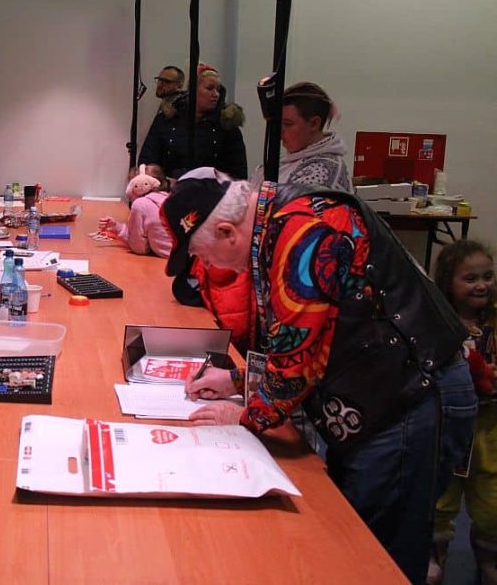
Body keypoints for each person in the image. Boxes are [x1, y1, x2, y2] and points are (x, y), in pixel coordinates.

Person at [160, 169, 477, 583]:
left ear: (226, 232)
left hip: (409, 399)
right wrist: (238, 381)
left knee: (377, 557)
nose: (205, 266)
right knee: (358, 542)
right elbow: (306, 334)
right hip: (384, 396)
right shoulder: (278, 221)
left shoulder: (300, 230)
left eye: (202, 256)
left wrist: (243, 416)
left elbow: (298, 356)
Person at [429, 240, 497, 585]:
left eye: (487, 276)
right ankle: (435, 552)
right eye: (470, 279)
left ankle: (488, 556)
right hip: (450, 422)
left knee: (491, 498)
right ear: (448, 282)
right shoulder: (439, 321)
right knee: (442, 495)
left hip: (490, 425)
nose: (481, 285)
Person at [139, 63, 248, 180]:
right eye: (210, 88)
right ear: (193, 90)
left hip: (213, 189)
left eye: (218, 90)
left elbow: (239, 174)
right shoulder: (166, 120)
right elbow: (147, 159)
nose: (216, 94)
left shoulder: (227, 125)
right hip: (168, 187)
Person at [255, 81, 352, 192]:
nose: (279, 131)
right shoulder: (282, 163)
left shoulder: (324, 170)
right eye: (278, 123)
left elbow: (291, 201)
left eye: (288, 124)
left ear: (314, 124)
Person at [98, 164, 173, 257]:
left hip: (168, 262)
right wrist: (116, 226)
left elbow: (139, 248)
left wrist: (119, 230)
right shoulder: (171, 198)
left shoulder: (140, 204)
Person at [138, 65, 185, 167]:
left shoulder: (179, 111)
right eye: (159, 80)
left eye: (166, 81)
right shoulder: (165, 109)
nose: (160, 84)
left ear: (179, 86)